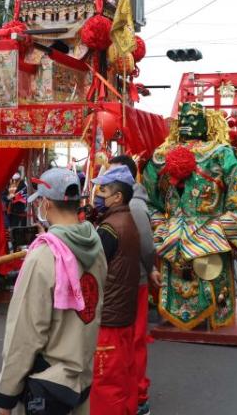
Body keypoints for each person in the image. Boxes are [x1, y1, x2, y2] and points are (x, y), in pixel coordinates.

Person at [0, 168, 107, 415]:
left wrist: (6, 395)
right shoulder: (95, 246)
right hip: (81, 376)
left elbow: (25, 333)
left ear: (45, 204)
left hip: (49, 384)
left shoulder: (44, 256)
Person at [109, 155, 159, 415]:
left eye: (114, 175)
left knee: (135, 339)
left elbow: (147, 247)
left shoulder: (136, 206)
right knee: (122, 341)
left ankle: (139, 395)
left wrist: (149, 269)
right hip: (120, 283)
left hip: (134, 281)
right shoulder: (119, 204)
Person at [89, 165, 140, 415]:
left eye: (104, 190)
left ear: (117, 197)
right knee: (124, 375)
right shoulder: (127, 219)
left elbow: (92, 265)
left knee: (105, 383)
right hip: (124, 312)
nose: (100, 195)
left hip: (109, 315)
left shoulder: (109, 227)